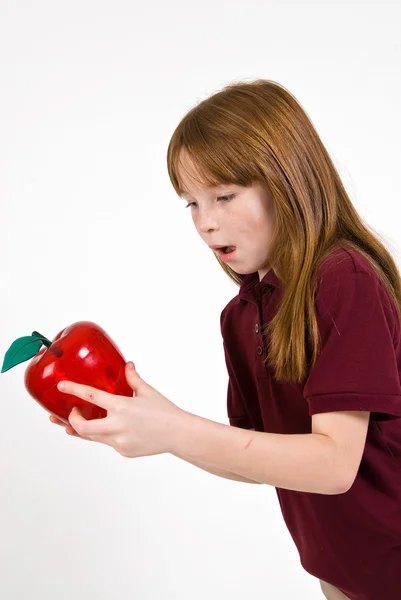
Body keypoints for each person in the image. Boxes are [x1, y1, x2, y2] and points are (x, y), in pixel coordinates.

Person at [52, 79, 401, 600]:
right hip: (339, 569)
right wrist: (154, 426)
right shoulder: (242, 314)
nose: (206, 223)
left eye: (224, 196)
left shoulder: (342, 278)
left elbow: (333, 466)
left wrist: (175, 429)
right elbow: (257, 460)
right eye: (191, 203)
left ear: (287, 179)